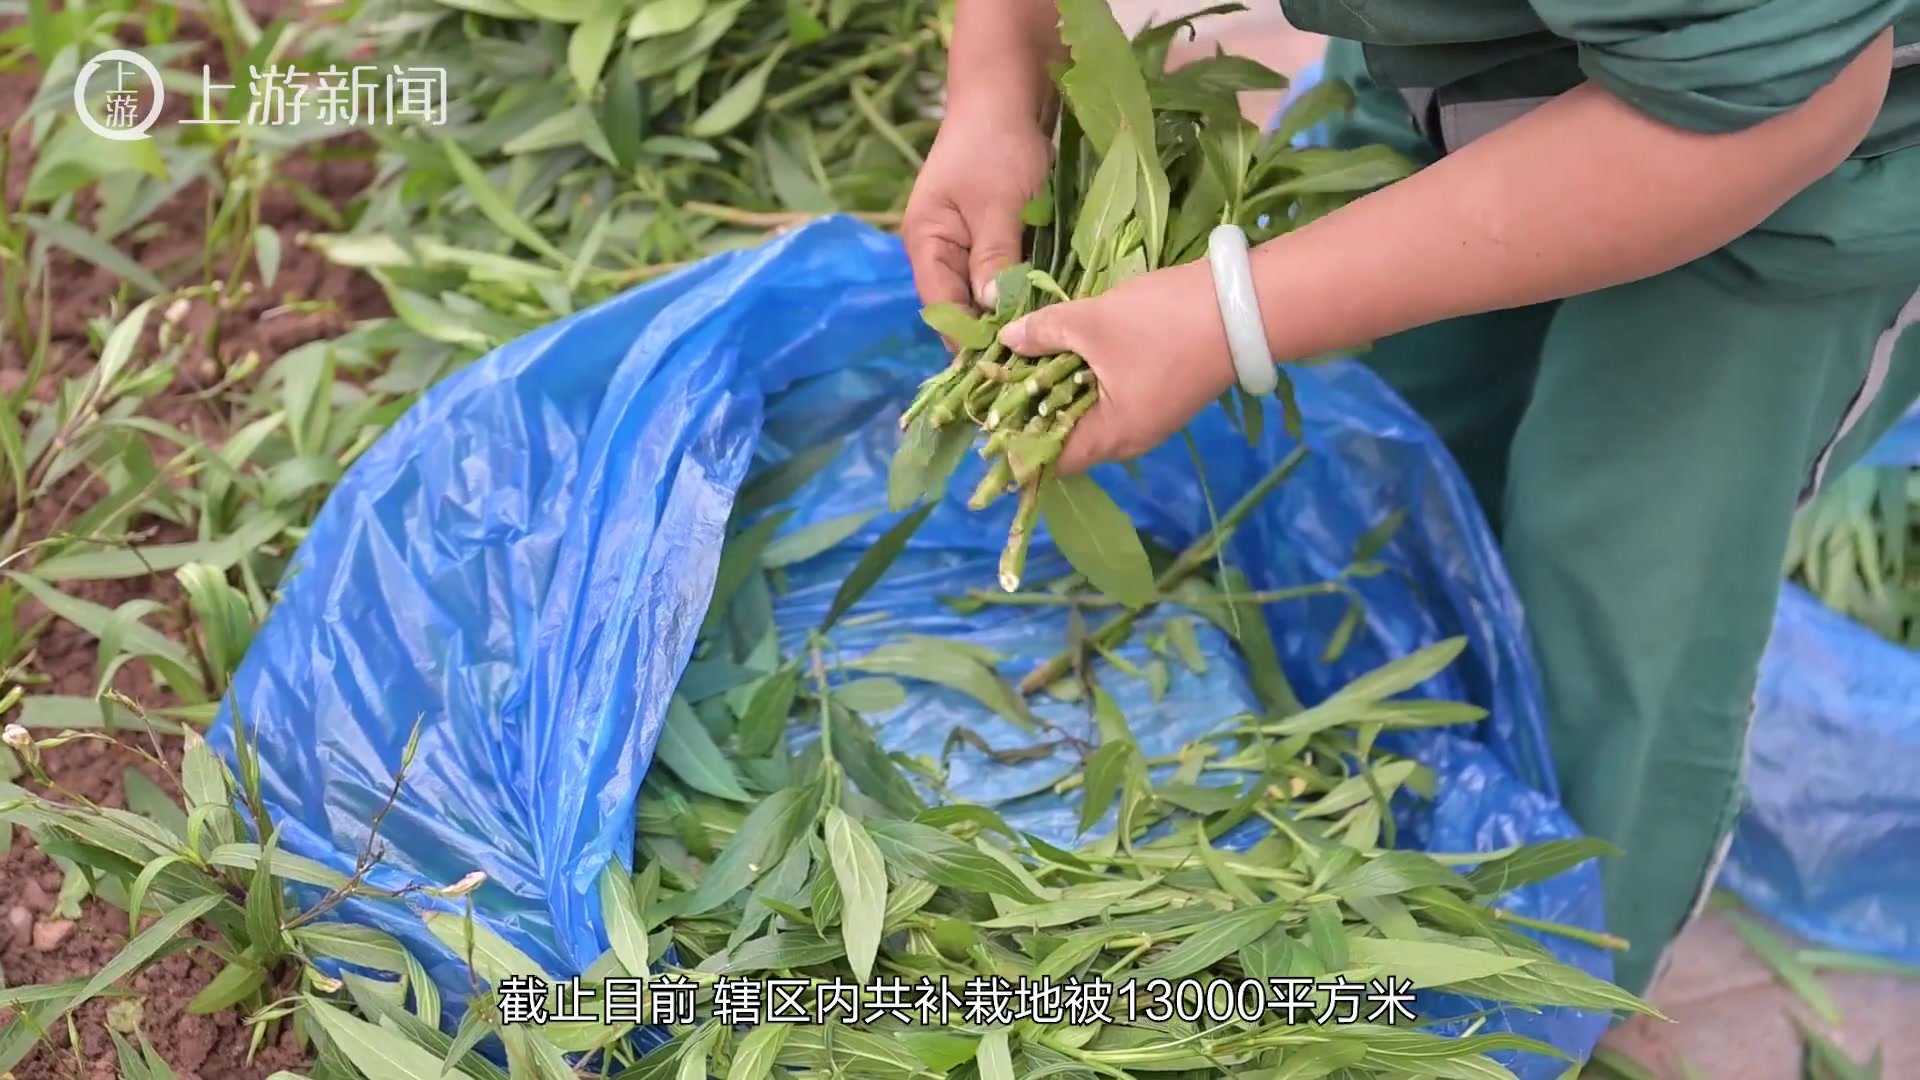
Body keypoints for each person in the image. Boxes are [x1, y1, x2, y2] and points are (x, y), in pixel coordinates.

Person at [900, 0, 1920, 997]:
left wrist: (1229, 315)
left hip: (1784, 167)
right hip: (1463, 61)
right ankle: (1385, 822)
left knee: (1623, 610)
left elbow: (1772, 97)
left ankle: (1554, 994)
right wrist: (999, 77)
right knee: (1379, 463)